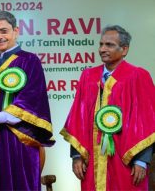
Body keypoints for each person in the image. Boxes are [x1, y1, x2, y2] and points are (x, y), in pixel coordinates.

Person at [0, 11, 55, 191]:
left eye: (4, 31)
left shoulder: (29, 61)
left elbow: (29, 104)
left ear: (16, 31)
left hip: (15, 142)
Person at [60, 25, 155, 190]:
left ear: (124, 49)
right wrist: (76, 156)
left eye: (109, 45)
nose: (102, 49)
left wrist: (141, 160)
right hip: (93, 158)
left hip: (126, 160)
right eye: (101, 44)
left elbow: (148, 122)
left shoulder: (138, 76)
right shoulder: (88, 76)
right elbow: (78, 117)